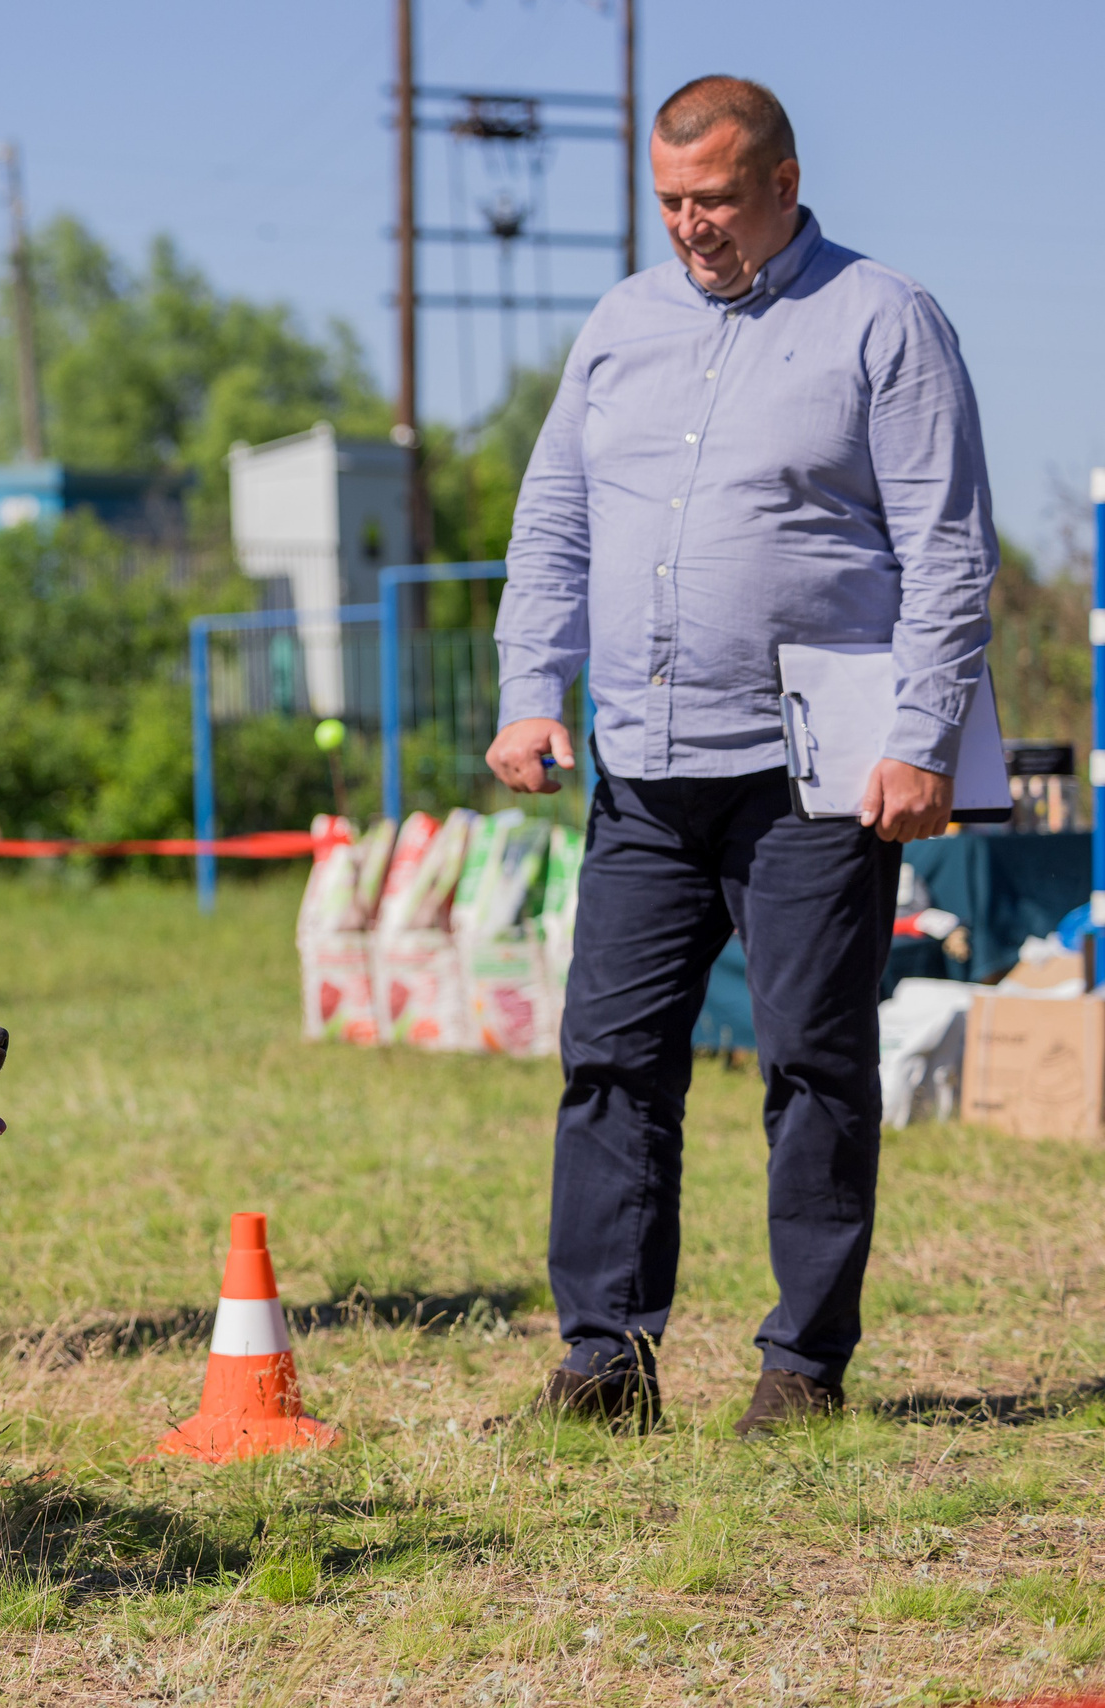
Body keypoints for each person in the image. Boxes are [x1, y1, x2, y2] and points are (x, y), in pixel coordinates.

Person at [489, 77, 995, 1437]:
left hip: (817, 777)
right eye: (668, 201)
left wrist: (923, 736)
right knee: (610, 1064)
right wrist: (531, 691)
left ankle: (802, 1369)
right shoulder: (621, 326)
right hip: (645, 773)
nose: (691, 227)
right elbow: (553, 526)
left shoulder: (884, 319)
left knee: (813, 1066)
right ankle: (605, 1363)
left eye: (713, 199)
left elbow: (947, 548)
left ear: (781, 181)